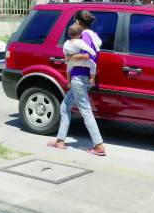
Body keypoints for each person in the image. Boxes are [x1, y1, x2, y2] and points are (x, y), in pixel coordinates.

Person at [48, 10, 106, 156]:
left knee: (85, 111)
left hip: (79, 77)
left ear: (79, 22)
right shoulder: (92, 34)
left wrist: (69, 56)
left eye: (74, 20)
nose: (74, 23)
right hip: (82, 77)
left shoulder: (84, 35)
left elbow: (87, 54)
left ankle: (99, 146)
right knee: (65, 107)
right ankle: (60, 141)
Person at [63, 23, 98, 88]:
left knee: (68, 70)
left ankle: (69, 83)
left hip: (71, 62)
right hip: (80, 61)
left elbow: (64, 51)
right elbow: (87, 48)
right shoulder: (79, 42)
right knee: (93, 65)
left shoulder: (66, 42)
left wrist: (66, 56)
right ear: (80, 34)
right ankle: (92, 79)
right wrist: (94, 53)